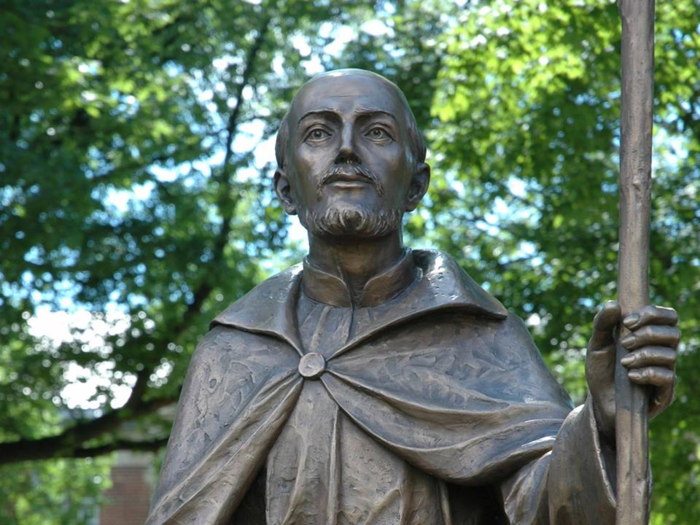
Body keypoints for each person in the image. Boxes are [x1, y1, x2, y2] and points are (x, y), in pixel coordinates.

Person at [146, 69, 679, 525]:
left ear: (416, 184)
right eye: (318, 134)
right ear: (286, 188)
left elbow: (550, 510)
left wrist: (603, 424)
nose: (347, 150)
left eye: (376, 132)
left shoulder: (475, 334)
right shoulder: (235, 350)